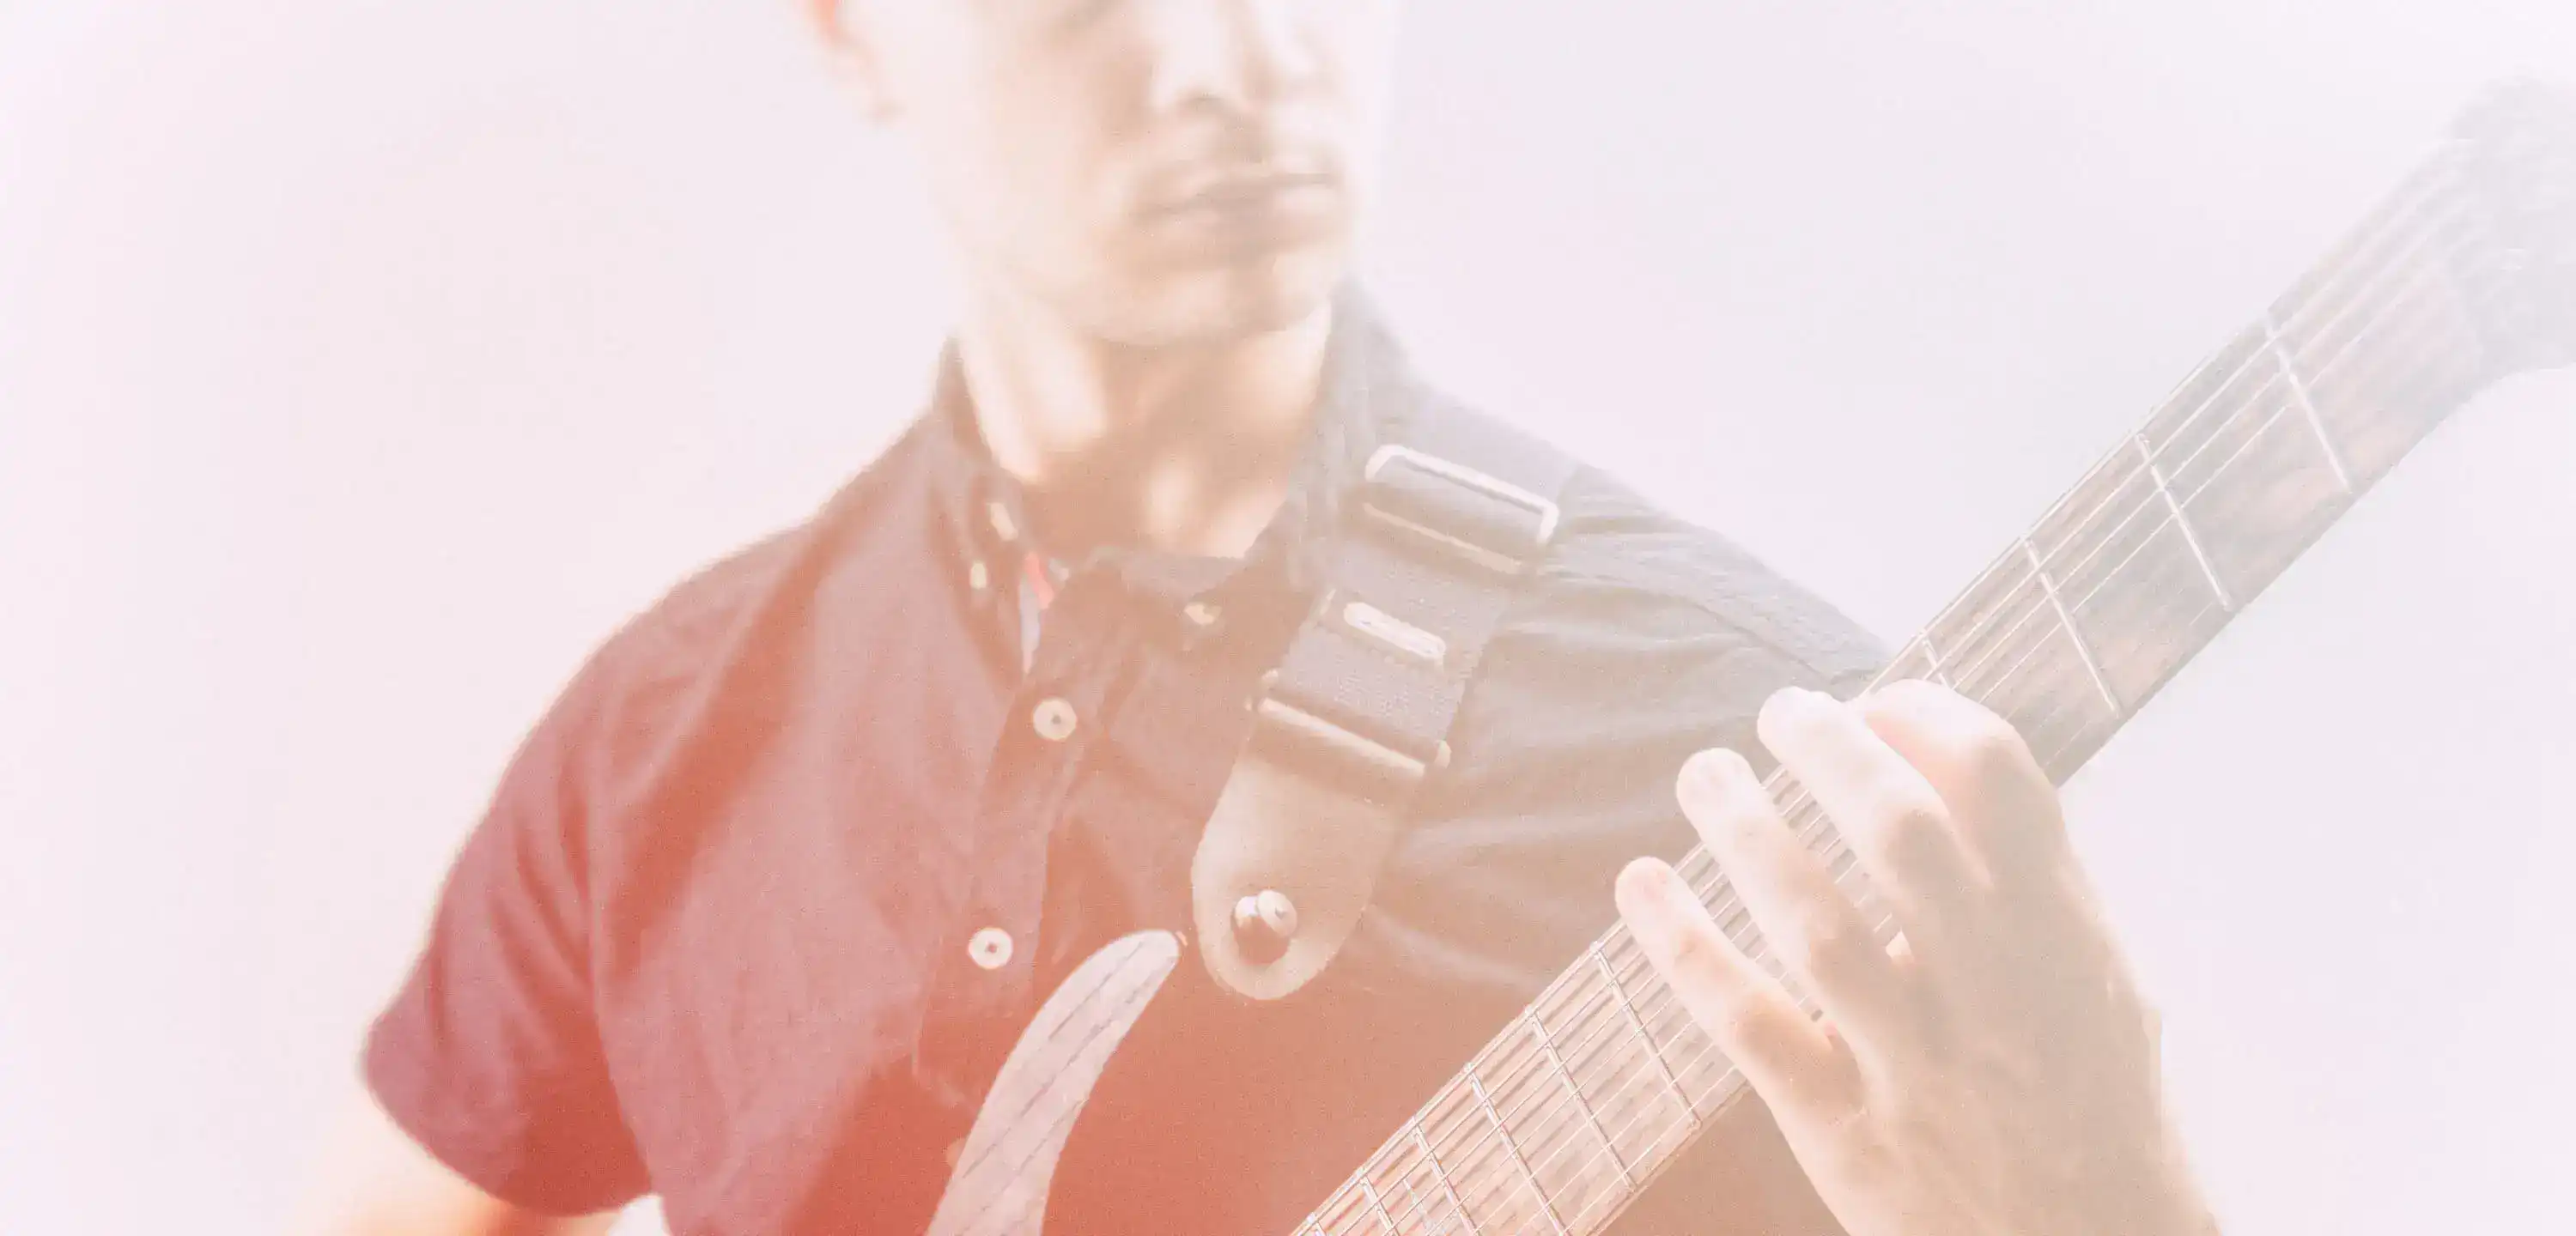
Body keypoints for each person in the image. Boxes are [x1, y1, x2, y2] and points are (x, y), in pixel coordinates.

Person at [299, 1, 2221, 1233]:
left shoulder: (1747, 747)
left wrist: (2103, 1211)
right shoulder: (665, 733)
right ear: (847, 33)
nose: (1237, 58)